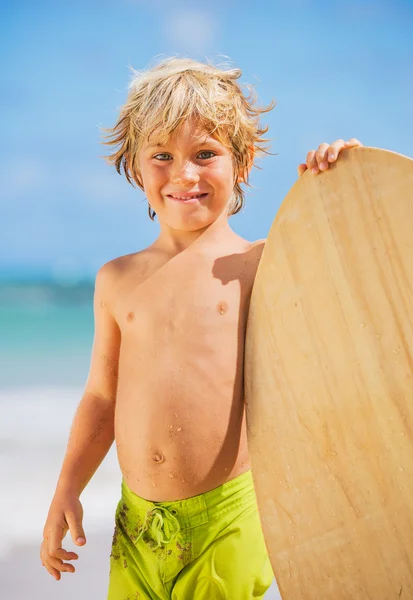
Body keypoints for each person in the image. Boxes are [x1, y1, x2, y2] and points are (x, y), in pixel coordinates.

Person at [40, 56, 362, 599]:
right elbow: (101, 396)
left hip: (229, 518)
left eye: (205, 154)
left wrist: (345, 179)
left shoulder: (265, 262)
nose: (184, 174)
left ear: (243, 161)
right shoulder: (116, 279)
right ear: (135, 165)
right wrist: (67, 487)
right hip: (137, 526)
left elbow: (351, 270)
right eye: (162, 155)